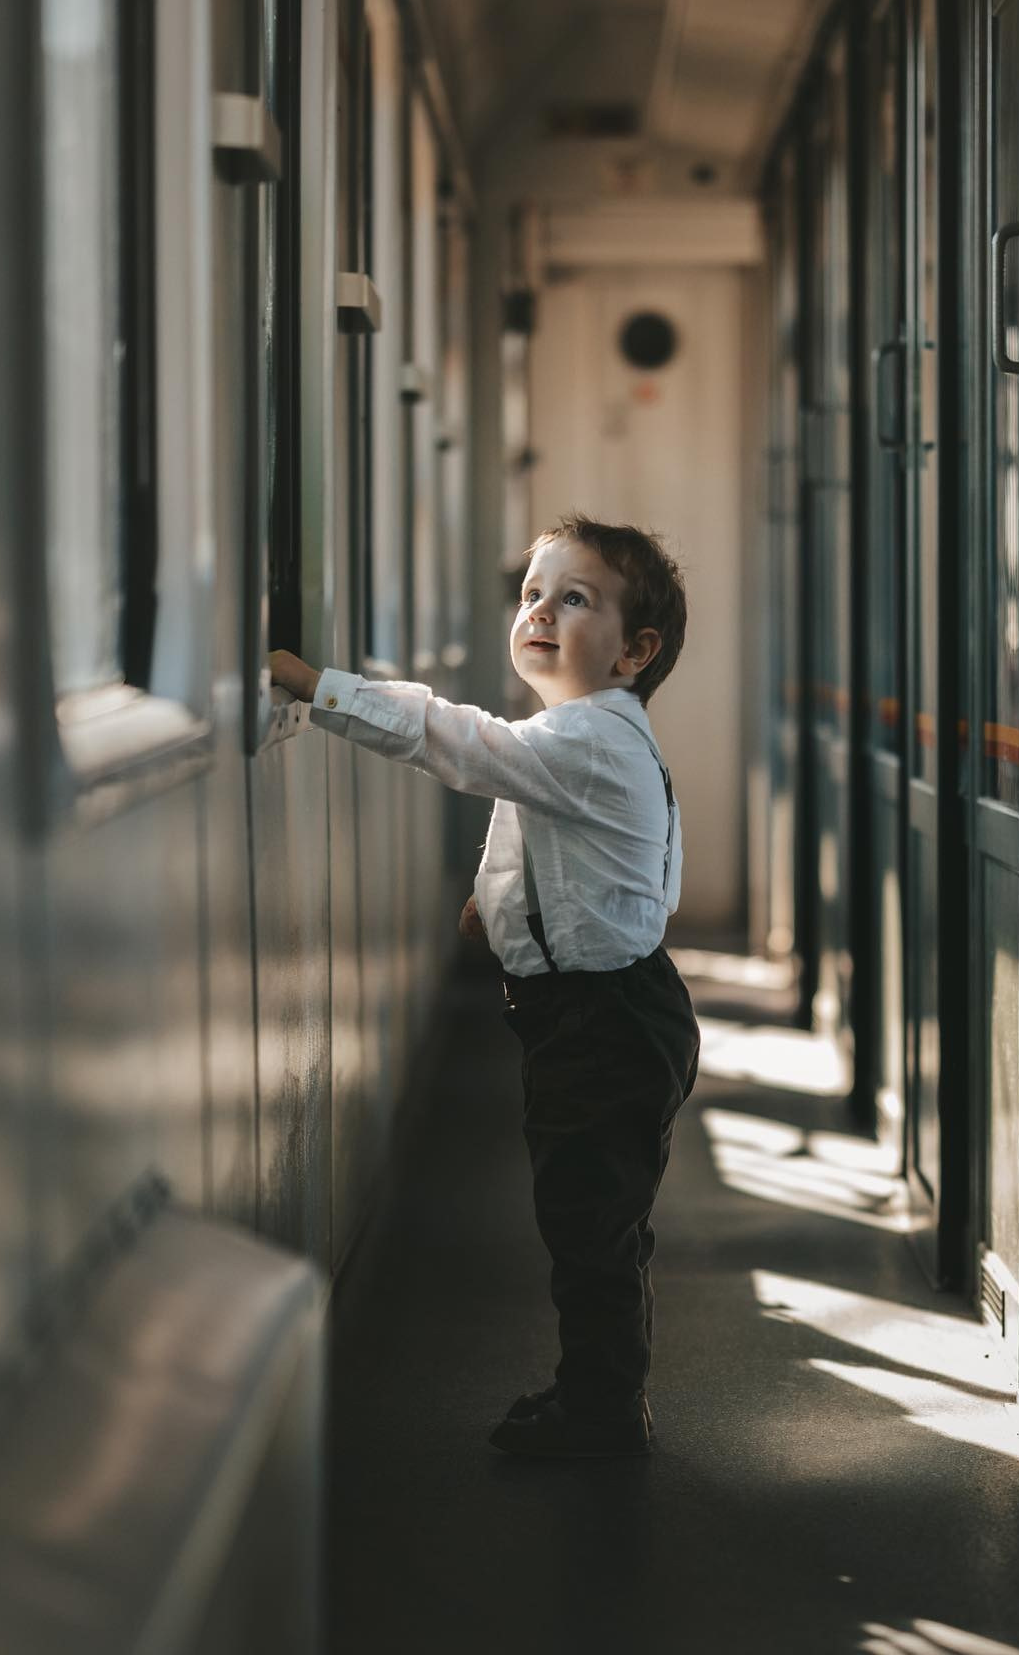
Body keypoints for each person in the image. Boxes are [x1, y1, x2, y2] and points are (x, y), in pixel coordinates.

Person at [270, 514, 700, 1457]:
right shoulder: (595, 735)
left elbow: (455, 741)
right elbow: (613, 867)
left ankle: (602, 1415)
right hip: (616, 1010)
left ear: (634, 651)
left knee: (589, 1223)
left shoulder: (586, 740)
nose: (539, 612)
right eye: (532, 594)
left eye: (573, 599)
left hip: (603, 1023)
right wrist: (496, 909)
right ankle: (599, 1390)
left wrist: (315, 686)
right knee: (599, 1218)